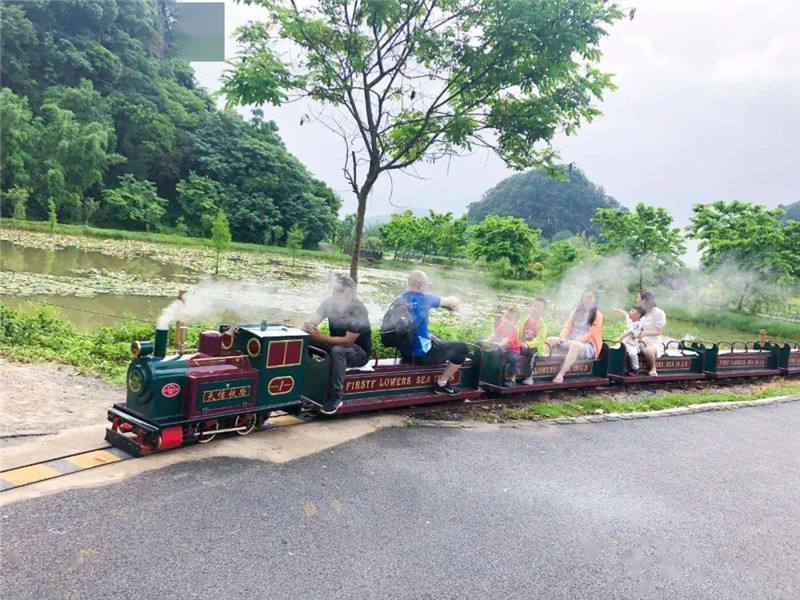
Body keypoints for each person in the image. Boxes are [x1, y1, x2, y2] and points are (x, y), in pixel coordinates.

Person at [301, 274, 372, 414]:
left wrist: (320, 338)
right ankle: (304, 383)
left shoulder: (358, 309)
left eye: (339, 291)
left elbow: (348, 341)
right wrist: (307, 326)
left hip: (358, 352)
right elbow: (313, 321)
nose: (334, 294)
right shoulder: (329, 303)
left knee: (338, 351)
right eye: (334, 290)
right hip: (334, 345)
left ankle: (337, 395)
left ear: (350, 293)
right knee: (306, 339)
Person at [398, 270, 467, 395]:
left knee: (436, 337)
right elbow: (452, 301)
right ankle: (442, 383)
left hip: (405, 352)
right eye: (426, 284)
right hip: (421, 355)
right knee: (462, 348)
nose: (427, 287)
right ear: (421, 285)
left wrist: (427, 335)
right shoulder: (425, 298)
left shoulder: (401, 298)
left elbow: (410, 325)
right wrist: (457, 300)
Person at [545, 289, 603, 384]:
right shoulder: (576, 311)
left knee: (574, 345)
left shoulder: (598, 315)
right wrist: (563, 337)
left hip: (587, 346)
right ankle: (545, 367)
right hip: (570, 341)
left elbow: (592, 333)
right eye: (585, 297)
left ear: (595, 300)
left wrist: (578, 340)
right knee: (550, 340)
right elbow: (567, 327)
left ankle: (561, 374)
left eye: (590, 297)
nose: (587, 300)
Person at [485, 308, 522, 387]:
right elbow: (494, 335)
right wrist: (486, 341)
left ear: (514, 322)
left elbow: (507, 340)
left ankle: (512, 378)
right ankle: (493, 373)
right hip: (502, 348)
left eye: (510, 319)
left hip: (512, 350)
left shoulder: (513, 330)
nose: (506, 321)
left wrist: (499, 344)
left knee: (513, 359)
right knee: (492, 354)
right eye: (505, 318)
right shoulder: (501, 326)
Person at [637, 289, 667, 376]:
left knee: (648, 350)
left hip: (653, 343)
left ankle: (653, 368)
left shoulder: (658, 313)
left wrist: (645, 333)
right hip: (640, 341)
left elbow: (659, 331)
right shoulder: (642, 312)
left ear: (644, 300)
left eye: (638, 297)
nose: (637, 300)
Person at [520, 297, 548, 385]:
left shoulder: (542, 324)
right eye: (534, 306)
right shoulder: (525, 320)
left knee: (530, 355)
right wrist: (518, 342)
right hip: (523, 344)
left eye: (539, 307)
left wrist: (528, 344)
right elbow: (520, 332)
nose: (535, 308)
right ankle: (511, 375)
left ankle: (529, 377)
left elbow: (540, 339)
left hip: (535, 347)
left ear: (543, 311)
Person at [614, 305, 646, 375]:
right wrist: (618, 310)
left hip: (632, 345)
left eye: (632, 311)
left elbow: (629, 332)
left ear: (638, 315)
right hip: (624, 343)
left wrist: (619, 338)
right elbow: (625, 313)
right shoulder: (630, 320)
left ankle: (635, 369)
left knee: (632, 354)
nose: (630, 312)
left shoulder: (638, 324)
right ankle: (620, 367)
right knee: (616, 350)